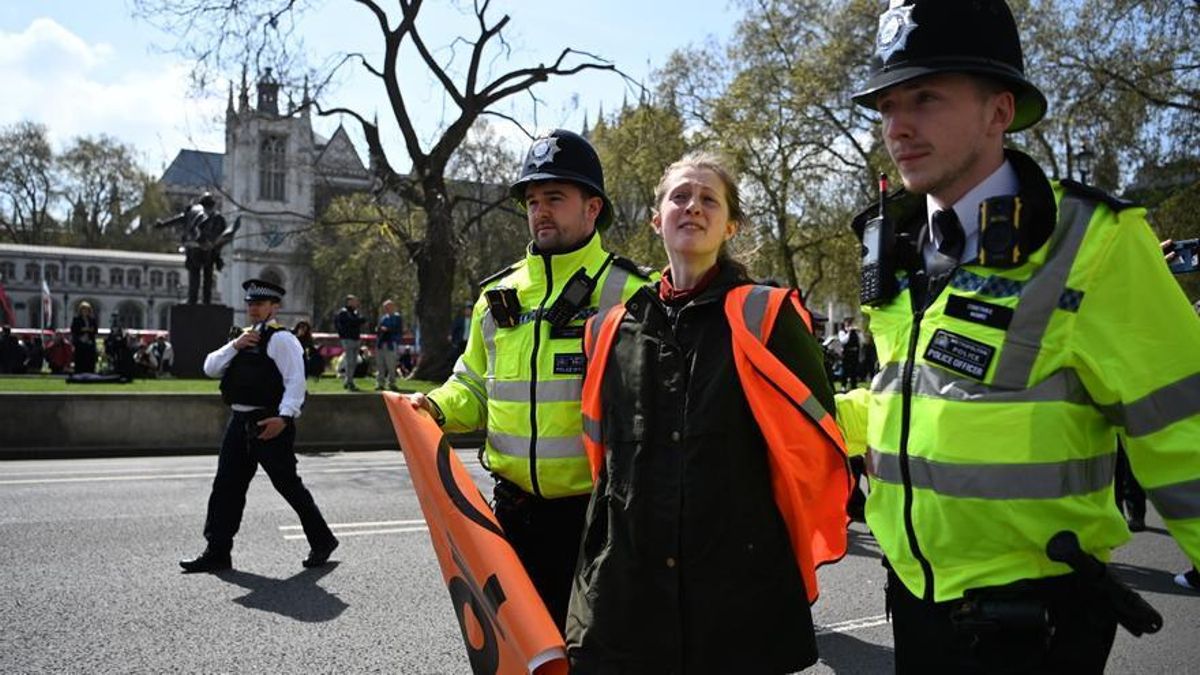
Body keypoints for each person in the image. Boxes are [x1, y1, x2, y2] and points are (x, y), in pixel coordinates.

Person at [837, 1, 1200, 671]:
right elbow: (914, 399)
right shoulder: (892, 245)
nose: (898, 126)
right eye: (887, 104)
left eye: (924, 97)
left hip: (1035, 624)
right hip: (914, 601)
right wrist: (805, 416)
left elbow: (1188, 431)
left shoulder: (1096, 242)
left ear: (999, 112)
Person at [567, 153, 851, 673]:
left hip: (734, 593)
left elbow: (815, 441)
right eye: (679, 197)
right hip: (629, 593)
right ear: (657, 220)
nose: (692, 207)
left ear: (730, 225)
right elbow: (604, 465)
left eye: (708, 199)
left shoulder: (768, 316)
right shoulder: (607, 329)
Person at [406, 129, 653, 631]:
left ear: (592, 208)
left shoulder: (633, 294)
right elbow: (473, 388)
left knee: (590, 657)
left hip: (596, 521)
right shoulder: (497, 296)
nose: (540, 210)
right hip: (512, 515)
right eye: (533, 199)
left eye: (555, 198)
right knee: (521, 651)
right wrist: (435, 408)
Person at [179, 278, 338, 573]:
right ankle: (217, 551)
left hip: (269, 421)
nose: (254, 309)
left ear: (274, 307)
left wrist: (285, 418)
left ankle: (322, 540)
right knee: (226, 486)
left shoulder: (282, 339)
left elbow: (296, 384)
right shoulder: (242, 338)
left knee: (288, 485)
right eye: (251, 304)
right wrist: (234, 345)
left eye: (260, 304)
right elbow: (210, 367)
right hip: (239, 421)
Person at [154, 193, 238, 305]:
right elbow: (222, 237)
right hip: (210, 251)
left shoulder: (193, 212)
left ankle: (192, 300)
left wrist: (162, 224)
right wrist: (217, 252)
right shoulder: (219, 218)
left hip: (194, 248)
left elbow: (177, 220)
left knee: (195, 275)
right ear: (213, 205)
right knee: (208, 276)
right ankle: (206, 301)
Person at [334, 294, 365, 391]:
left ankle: (349, 380)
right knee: (349, 361)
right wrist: (359, 320)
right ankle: (349, 381)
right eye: (354, 301)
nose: (356, 303)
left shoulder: (355, 312)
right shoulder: (344, 313)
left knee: (354, 361)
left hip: (356, 338)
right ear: (349, 302)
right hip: (348, 339)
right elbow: (351, 322)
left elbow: (358, 321)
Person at [374, 299, 403, 391]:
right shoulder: (383, 318)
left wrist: (387, 329)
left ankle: (392, 383)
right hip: (381, 343)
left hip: (391, 343)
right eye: (385, 307)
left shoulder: (397, 317)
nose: (387, 309)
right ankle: (380, 383)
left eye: (388, 307)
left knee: (391, 365)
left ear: (393, 307)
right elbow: (379, 329)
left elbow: (396, 328)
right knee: (380, 364)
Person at [70, 302, 98, 373]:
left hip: (89, 342)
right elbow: (73, 329)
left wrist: (91, 330)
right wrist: (82, 329)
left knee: (89, 359)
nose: (85, 311)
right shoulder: (76, 319)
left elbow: (95, 330)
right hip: (80, 342)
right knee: (80, 359)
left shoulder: (92, 319)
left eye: (87, 310)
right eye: (83, 310)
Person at [838, 318, 861, 390]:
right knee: (845, 370)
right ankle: (843, 386)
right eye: (848, 323)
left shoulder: (855, 332)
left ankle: (853, 385)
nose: (849, 324)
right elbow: (843, 341)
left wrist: (857, 332)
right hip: (847, 353)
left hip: (854, 353)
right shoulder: (842, 332)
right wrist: (849, 332)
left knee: (854, 370)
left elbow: (860, 340)